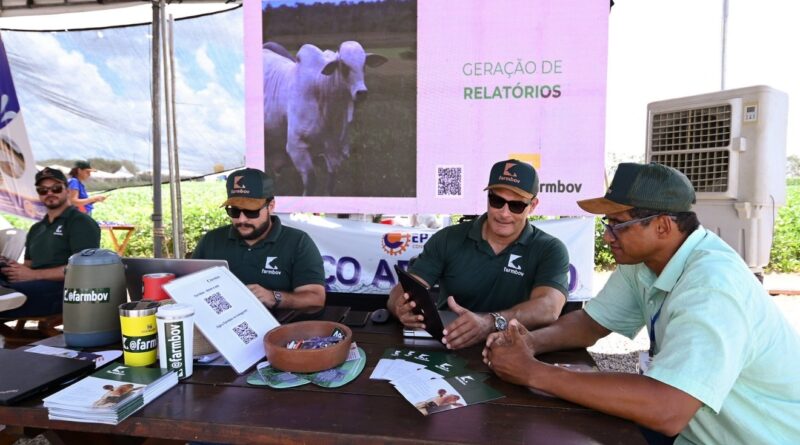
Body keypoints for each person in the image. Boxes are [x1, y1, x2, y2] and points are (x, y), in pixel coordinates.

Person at [483, 162, 800, 444]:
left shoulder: (712, 287)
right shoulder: (646, 260)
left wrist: (532, 373)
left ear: (662, 226)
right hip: (693, 430)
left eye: (617, 224)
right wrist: (529, 343)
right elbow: (591, 323)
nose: (607, 236)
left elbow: (668, 409)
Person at [387, 159, 570, 350]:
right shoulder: (448, 238)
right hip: (450, 343)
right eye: (497, 201)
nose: (504, 213)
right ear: (488, 197)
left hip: (514, 350)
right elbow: (402, 291)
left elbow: (549, 307)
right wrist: (401, 308)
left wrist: (490, 322)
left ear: (533, 205)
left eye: (516, 205)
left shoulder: (550, 249)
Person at [193, 168, 325, 315]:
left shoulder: (298, 242)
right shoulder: (211, 240)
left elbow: (316, 299)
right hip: (220, 326)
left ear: (271, 206)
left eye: (251, 211)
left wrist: (275, 297)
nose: (242, 219)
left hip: (278, 332)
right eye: (234, 211)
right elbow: (190, 287)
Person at [0, 167, 101, 318]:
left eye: (56, 188)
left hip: (64, 290)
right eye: (43, 190)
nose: (50, 193)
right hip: (29, 285)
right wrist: (11, 267)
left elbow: (83, 269)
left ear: (67, 190)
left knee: (12, 293)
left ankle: (7, 295)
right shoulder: (36, 228)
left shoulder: (80, 222)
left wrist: (33, 275)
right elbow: (28, 266)